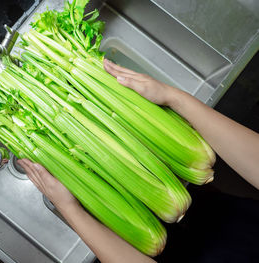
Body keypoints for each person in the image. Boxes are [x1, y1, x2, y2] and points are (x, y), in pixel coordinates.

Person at [17, 59, 259, 263]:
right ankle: (207, 203)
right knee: (215, 211)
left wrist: (70, 209)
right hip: (240, 225)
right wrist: (173, 97)